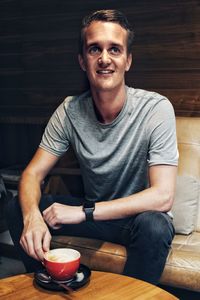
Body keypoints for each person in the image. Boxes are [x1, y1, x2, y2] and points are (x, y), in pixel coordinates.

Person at [6, 9, 178, 285]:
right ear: (82, 61)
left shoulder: (156, 109)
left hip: (136, 221)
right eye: (94, 49)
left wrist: (84, 212)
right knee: (17, 207)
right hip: (96, 216)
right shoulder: (69, 111)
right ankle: (51, 283)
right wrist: (32, 218)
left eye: (115, 49)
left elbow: (162, 196)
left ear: (128, 60)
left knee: (155, 225)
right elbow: (32, 175)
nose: (105, 59)